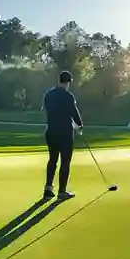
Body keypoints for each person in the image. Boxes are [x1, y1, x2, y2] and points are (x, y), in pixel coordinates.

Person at [41, 70, 83, 201]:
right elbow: (74, 113)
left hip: (51, 131)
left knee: (52, 159)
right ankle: (62, 192)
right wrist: (79, 125)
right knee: (65, 161)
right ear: (68, 82)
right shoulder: (68, 96)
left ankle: (48, 189)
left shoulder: (48, 95)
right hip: (65, 132)